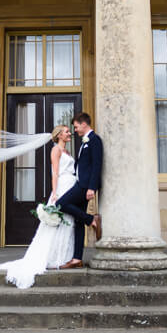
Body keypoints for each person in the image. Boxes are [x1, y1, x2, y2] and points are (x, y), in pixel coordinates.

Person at [0, 124, 76, 288]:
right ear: (59, 135)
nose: (70, 133)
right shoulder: (56, 150)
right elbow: (54, 172)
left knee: (69, 222)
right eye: (67, 131)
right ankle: (54, 257)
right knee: (58, 222)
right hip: (62, 187)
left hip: (71, 185)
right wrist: (55, 192)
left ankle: (65, 256)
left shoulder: (67, 151)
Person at [54, 111, 102, 269]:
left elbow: (97, 165)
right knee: (78, 222)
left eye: (75, 127)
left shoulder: (95, 140)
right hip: (79, 183)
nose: (75, 130)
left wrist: (92, 187)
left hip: (84, 186)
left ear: (83, 124)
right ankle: (77, 259)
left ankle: (91, 220)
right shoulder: (85, 141)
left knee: (60, 203)